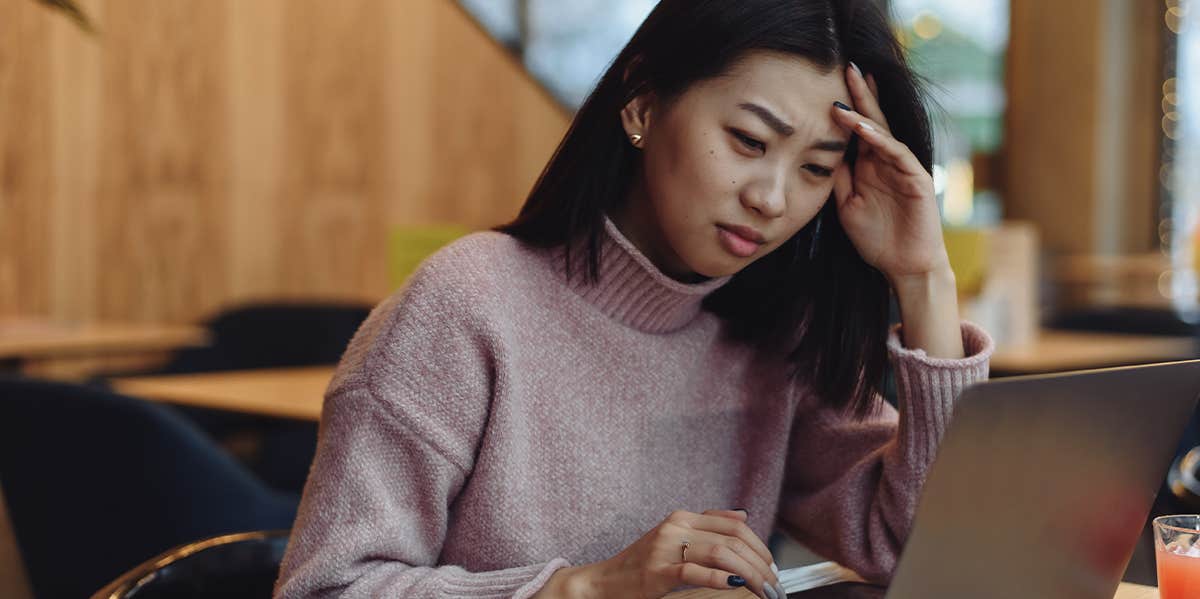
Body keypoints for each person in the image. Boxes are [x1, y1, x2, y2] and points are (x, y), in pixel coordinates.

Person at [273, 1, 993, 597]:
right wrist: (589, 587)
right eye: (747, 140)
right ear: (642, 103)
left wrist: (923, 275)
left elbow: (933, 556)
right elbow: (327, 587)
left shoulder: (778, 336)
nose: (772, 197)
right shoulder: (468, 303)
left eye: (814, 168)